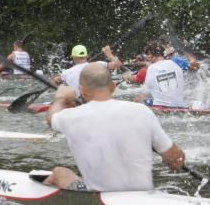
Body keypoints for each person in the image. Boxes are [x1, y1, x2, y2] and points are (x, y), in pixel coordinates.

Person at [44, 64, 186, 191]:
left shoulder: (71, 117)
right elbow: (176, 158)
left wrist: (61, 98)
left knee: (59, 173)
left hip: (100, 201)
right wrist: (171, 160)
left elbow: (51, 119)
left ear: (82, 91)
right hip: (141, 198)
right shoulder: (142, 111)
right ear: (113, 86)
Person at [56, 44, 122, 91]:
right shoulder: (99, 65)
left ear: (73, 57)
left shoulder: (66, 73)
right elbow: (118, 64)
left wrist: (57, 79)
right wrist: (109, 54)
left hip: (78, 104)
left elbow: (56, 81)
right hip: (97, 101)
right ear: (87, 56)